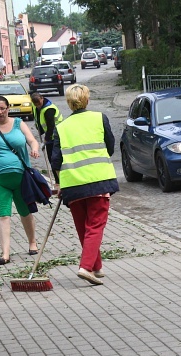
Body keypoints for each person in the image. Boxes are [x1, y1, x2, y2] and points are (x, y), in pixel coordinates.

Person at [51, 84, 119, 285]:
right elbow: (111, 147)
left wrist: (59, 183)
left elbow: (56, 160)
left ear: (70, 103)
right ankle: (86, 267)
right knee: (95, 226)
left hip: (72, 184)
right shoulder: (99, 118)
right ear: (87, 100)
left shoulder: (61, 127)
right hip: (98, 180)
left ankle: (96, 266)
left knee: (84, 228)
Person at [0, 96, 40, 265]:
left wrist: (33, 149)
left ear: (8, 108)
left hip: (21, 178)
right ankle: (5, 253)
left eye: (3, 108)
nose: (0, 112)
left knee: (25, 211)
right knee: (4, 215)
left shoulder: (18, 123)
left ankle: (32, 242)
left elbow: (32, 140)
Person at [31, 92, 64, 193]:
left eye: (39, 103)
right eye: (36, 104)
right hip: (51, 137)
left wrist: (45, 140)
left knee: (55, 159)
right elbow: (38, 117)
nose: (38, 105)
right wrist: (39, 129)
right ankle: (57, 181)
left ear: (42, 98)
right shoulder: (35, 105)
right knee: (51, 159)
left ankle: (59, 182)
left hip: (57, 136)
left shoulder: (49, 109)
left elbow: (50, 127)